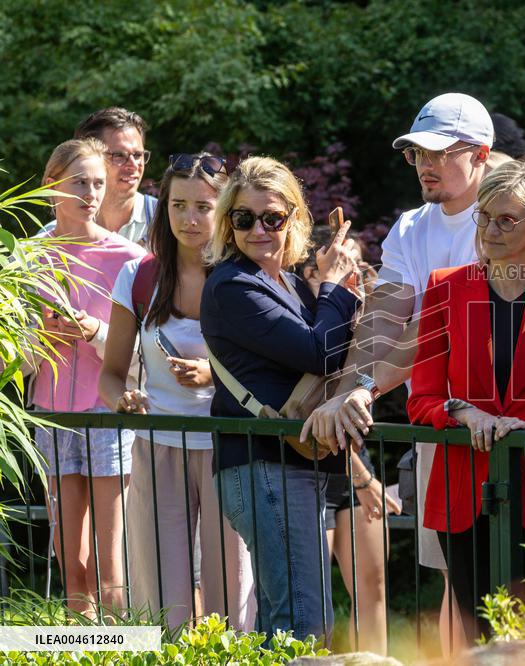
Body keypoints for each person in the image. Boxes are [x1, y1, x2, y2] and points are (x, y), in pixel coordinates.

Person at [301, 92, 494, 654]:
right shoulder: (412, 226)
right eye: (416, 154)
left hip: (506, 420)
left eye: (438, 152)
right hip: (441, 425)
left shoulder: (507, 216)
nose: (425, 164)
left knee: (502, 581)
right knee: (452, 578)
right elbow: (384, 318)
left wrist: (363, 387)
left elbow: (434, 330)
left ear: (480, 153)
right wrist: (348, 393)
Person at [407, 160, 525, 644]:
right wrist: (464, 412)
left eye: (507, 219)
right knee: (482, 641)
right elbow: (423, 398)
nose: (490, 229)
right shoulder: (444, 287)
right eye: (485, 216)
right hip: (464, 496)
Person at [200, 156, 361, 641]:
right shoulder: (231, 286)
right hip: (261, 468)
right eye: (244, 218)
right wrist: (334, 287)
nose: (258, 230)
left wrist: (334, 288)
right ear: (229, 223)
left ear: (292, 219)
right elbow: (320, 351)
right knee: (301, 622)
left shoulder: (288, 282)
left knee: (288, 621)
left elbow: (333, 344)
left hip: (292, 465)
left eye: (272, 217)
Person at [98, 153, 255, 631]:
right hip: (156, 444)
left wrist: (214, 374)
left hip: (229, 447)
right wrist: (122, 400)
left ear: (224, 209)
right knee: (160, 592)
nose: (189, 219)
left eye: (203, 207)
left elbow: (271, 371)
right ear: (163, 208)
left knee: (233, 587)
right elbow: (111, 374)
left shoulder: (247, 276)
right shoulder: (139, 276)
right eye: (177, 205)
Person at [29, 138, 146, 615]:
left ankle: (119, 643)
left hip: (107, 409)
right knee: (68, 551)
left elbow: (145, 354)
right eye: (80, 182)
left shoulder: (130, 257)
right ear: (51, 185)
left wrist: (94, 331)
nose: (92, 193)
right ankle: (80, 638)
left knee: (108, 554)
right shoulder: (27, 256)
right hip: (51, 409)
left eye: (98, 183)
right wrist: (35, 334)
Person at [296, 224, 398, 654]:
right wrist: (361, 478)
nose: (351, 270)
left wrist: (361, 476)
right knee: (313, 600)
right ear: (307, 271)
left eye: (355, 261)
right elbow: (308, 412)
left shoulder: (369, 319)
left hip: (355, 466)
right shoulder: (301, 322)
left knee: (373, 589)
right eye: (340, 263)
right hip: (309, 468)